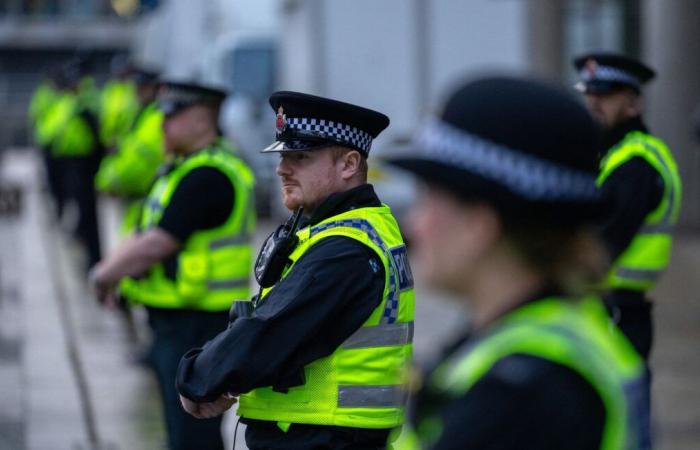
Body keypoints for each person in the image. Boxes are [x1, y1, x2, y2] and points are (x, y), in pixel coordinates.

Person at [387, 77, 648, 449]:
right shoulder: (550, 337)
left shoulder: (519, 394)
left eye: (429, 200)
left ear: (480, 224)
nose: (414, 225)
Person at [175, 91, 416, 449]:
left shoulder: (345, 248)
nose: (282, 168)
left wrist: (197, 378)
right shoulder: (351, 229)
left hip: (320, 438)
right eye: (284, 155)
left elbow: (270, 331)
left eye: (300, 157)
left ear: (349, 165)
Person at [90, 80, 256, 450]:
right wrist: (117, 275)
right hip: (180, 316)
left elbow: (157, 243)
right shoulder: (184, 168)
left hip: (195, 321)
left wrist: (103, 275)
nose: (160, 124)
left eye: (171, 116)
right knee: (179, 426)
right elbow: (146, 232)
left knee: (190, 434)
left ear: (201, 120)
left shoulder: (207, 175)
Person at [573, 53, 682, 362]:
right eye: (589, 93)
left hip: (616, 313)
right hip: (610, 309)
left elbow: (601, 243)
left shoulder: (635, 163)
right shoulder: (609, 155)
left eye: (605, 94)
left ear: (634, 104)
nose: (594, 102)